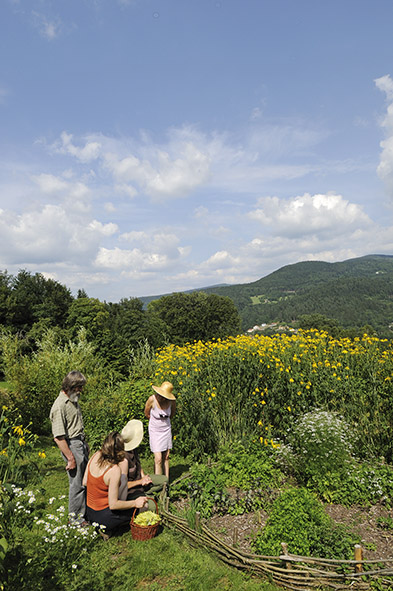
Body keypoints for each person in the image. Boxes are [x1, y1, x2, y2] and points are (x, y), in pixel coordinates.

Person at [83, 431, 147, 536]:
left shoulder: (95, 455)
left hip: (89, 512)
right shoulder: (114, 470)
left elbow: (85, 482)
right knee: (144, 507)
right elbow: (113, 505)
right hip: (104, 516)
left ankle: (104, 526)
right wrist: (135, 503)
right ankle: (109, 528)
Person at [49, 370, 89, 525]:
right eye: (79, 387)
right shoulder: (60, 406)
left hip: (78, 443)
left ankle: (83, 514)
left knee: (83, 481)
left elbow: (75, 426)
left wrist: (84, 444)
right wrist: (71, 458)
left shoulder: (73, 400)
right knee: (77, 484)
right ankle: (75, 520)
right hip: (70, 445)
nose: (81, 390)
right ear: (70, 386)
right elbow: (59, 437)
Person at [118, 419, 168, 503]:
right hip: (131, 491)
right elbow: (122, 485)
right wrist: (140, 482)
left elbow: (138, 466)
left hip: (140, 483)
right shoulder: (123, 460)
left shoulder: (134, 450)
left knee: (164, 480)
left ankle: (148, 493)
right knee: (152, 506)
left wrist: (144, 477)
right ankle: (148, 497)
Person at [144, 381, 176, 478]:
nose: (162, 398)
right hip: (155, 430)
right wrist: (156, 422)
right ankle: (158, 483)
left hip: (166, 429)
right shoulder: (152, 399)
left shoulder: (172, 402)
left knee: (166, 456)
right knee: (158, 458)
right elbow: (147, 413)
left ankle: (166, 480)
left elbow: (172, 414)